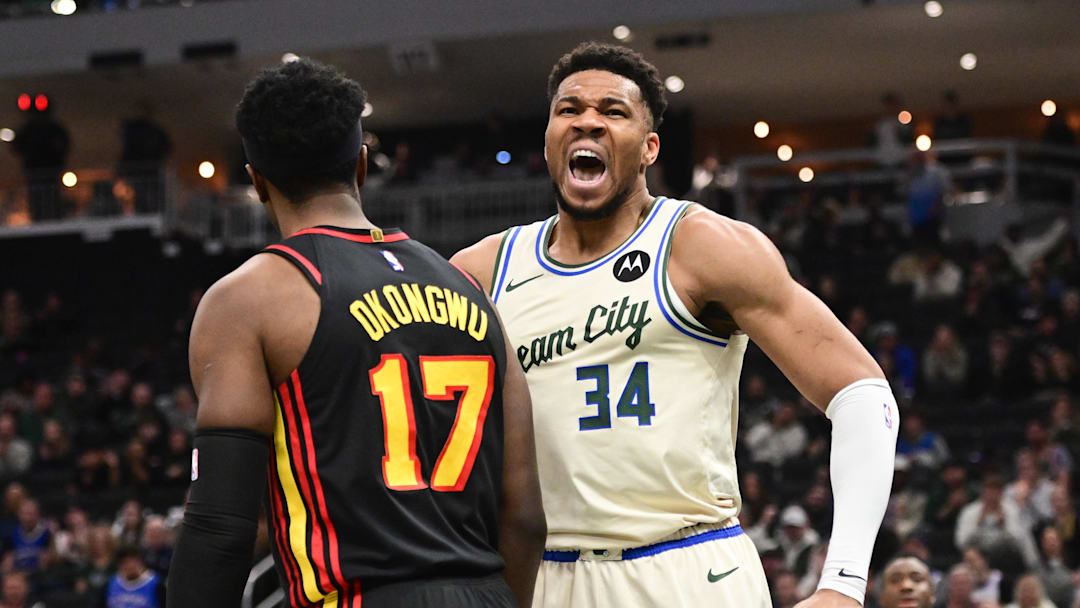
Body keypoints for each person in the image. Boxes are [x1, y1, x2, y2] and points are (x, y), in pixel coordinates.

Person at [452, 42, 899, 608]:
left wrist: (844, 582)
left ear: (648, 147)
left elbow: (862, 394)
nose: (588, 121)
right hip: (543, 578)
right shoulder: (482, 272)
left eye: (613, 112)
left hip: (689, 568)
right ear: (548, 141)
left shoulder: (702, 246)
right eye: (569, 110)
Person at [167, 58, 545, 608]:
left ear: (256, 181)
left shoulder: (246, 299)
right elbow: (526, 517)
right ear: (362, 165)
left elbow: (220, 528)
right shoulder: (470, 290)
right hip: (485, 593)